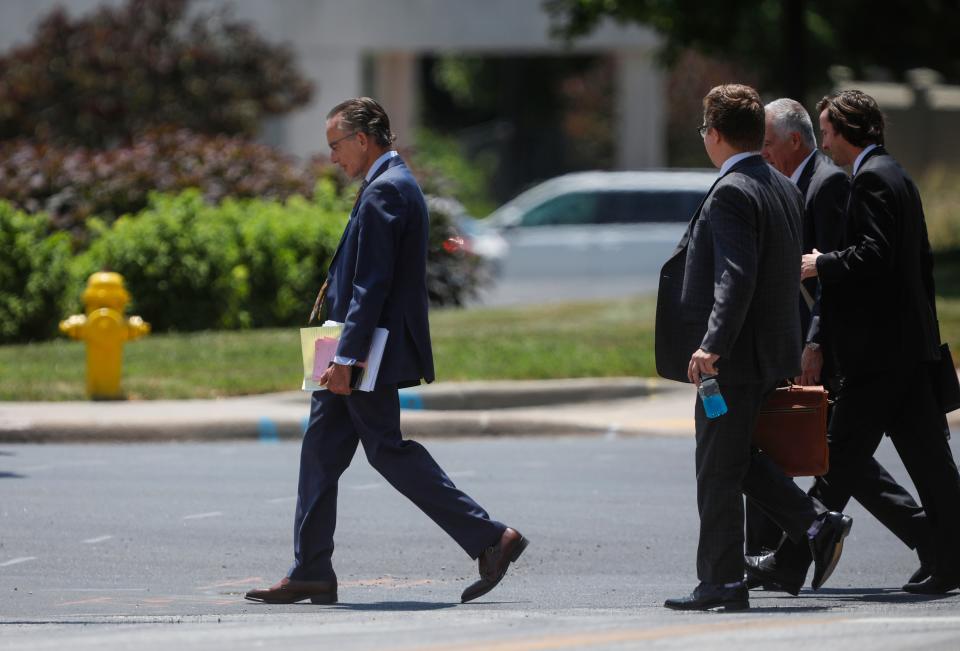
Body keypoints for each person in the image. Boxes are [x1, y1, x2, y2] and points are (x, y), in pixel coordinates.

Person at [245, 97, 528, 606]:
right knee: (321, 451)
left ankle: (490, 537)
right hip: (349, 345)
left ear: (362, 139)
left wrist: (346, 360)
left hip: (361, 352)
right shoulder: (388, 184)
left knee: (387, 450)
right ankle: (311, 568)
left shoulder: (387, 191)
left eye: (336, 146)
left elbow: (370, 287)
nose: (333, 157)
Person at [655, 84, 853, 612]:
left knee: (716, 469)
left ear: (714, 135)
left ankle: (721, 582)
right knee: (736, 458)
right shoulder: (781, 186)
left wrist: (710, 347)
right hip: (770, 352)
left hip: (735, 360)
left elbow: (735, 278)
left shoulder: (732, 190)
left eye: (704, 131)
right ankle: (815, 524)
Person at [744, 99, 932, 591]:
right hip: (842, 346)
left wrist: (815, 341)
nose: (761, 153)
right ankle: (936, 541)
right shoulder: (799, 181)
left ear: (795, 140)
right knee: (837, 455)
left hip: (836, 347)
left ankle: (785, 554)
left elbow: (841, 273)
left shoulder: (830, 184)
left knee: (837, 455)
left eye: (766, 143)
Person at [782, 89, 959, 595]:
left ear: (843, 131)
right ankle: (950, 559)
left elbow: (876, 255)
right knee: (931, 465)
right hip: (904, 349)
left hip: (879, 355)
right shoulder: (894, 174)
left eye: (828, 132)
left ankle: (790, 560)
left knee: (834, 458)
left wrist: (823, 262)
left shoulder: (873, 179)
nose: (826, 143)